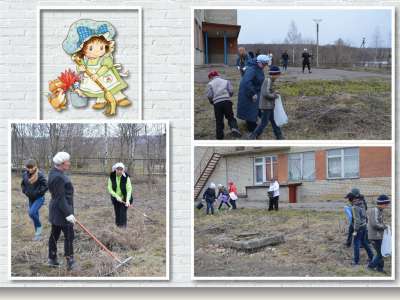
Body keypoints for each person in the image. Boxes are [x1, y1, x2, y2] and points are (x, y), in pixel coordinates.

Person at [62, 19, 131, 111]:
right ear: (83, 50)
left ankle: (120, 97)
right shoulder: (85, 59)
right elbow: (80, 67)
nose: (97, 51)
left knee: (111, 87)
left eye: (101, 47)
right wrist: (80, 67)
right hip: (92, 79)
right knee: (97, 89)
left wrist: (97, 74)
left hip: (105, 76)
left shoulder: (105, 57)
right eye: (91, 48)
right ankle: (101, 100)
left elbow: (107, 66)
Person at [47, 152, 76, 270]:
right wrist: (68, 214)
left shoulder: (53, 172)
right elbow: (60, 197)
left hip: (56, 210)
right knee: (69, 235)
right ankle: (70, 261)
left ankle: (52, 258)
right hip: (62, 211)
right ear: (62, 163)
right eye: (67, 162)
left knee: (54, 234)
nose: (69, 163)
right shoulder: (58, 177)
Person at [248, 66, 284, 140]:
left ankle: (279, 136)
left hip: (270, 106)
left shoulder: (271, 81)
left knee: (274, 121)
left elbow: (268, 92)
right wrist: (274, 95)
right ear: (273, 74)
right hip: (266, 106)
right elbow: (265, 93)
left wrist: (274, 92)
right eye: (277, 75)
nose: (278, 76)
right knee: (264, 123)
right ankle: (253, 136)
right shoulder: (268, 80)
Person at [237, 54, 270, 133]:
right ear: (259, 62)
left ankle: (258, 122)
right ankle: (251, 128)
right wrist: (253, 93)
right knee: (250, 109)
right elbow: (247, 82)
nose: (265, 66)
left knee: (254, 109)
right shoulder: (252, 69)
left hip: (255, 91)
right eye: (264, 64)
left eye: (266, 64)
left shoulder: (258, 68)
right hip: (248, 92)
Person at [206, 70, 241, 140]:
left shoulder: (210, 84)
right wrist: (228, 96)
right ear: (218, 75)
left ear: (211, 77)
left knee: (219, 120)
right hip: (227, 101)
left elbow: (209, 95)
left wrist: (211, 101)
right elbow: (231, 91)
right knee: (230, 117)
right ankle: (234, 128)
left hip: (217, 103)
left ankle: (219, 136)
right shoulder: (225, 81)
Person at [21, 159, 48, 241]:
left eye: (31, 167)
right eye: (28, 167)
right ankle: (38, 235)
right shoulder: (25, 175)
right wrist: (25, 191)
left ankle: (39, 227)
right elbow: (23, 184)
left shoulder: (40, 175)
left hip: (39, 198)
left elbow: (46, 186)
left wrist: (38, 192)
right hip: (31, 199)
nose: (29, 169)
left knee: (31, 213)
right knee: (35, 215)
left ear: (35, 166)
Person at [368, 195, 390, 273]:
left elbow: (379, 222)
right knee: (380, 254)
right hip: (374, 236)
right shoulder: (375, 210)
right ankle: (370, 266)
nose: (387, 206)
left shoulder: (380, 210)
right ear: (382, 203)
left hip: (378, 236)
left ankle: (380, 269)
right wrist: (384, 227)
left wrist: (384, 225)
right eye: (386, 204)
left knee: (380, 253)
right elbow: (374, 224)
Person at [107, 162, 133, 228]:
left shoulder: (126, 177)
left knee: (122, 213)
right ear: (115, 169)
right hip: (116, 198)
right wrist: (116, 196)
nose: (119, 171)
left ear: (123, 170)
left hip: (125, 197)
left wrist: (127, 200)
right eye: (118, 169)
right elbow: (109, 188)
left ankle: (123, 227)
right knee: (117, 212)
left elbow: (129, 190)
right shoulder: (112, 176)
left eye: (121, 169)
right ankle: (117, 226)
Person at [351, 196, 374, 266]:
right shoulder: (362, 204)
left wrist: (355, 230)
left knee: (356, 244)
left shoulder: (355, 207)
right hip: (364, 226)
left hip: (359, 227)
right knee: (364, 242)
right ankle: (371, 256)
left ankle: (356, 261)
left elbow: (357, 220)